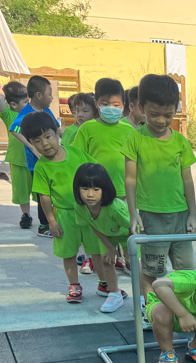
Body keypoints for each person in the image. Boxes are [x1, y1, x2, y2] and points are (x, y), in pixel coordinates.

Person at [123, 74, 196, 327]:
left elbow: (187, 180)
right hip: (151, 216)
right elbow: (130, 179)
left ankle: (184, 309)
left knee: (186, 269)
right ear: (141, 107)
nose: (161, 121)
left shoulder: (180, 142)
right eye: (154, 114)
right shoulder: (135, 139)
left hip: (180, 216)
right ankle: (151, 309)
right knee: (152, 270)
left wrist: (193, 214)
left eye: (168, 115)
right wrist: (133, 213)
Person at [21, 111, 104, 304]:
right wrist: (51, 221)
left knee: (97, 251)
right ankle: (74, 285)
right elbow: (44, 196)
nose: (45, 144)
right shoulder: (42, 167)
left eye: (48, 137)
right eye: (37, 141)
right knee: (68, 253)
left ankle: (104, 283)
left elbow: (96, 171)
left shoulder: (76, 153)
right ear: (31, 143)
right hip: (65, 216)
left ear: (57, 132)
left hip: (89, 212)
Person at [74, 78, 134, 275]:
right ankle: (92, 258)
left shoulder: (128, 130)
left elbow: (136, 160)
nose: (111, 109)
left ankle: (127, 259)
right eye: (105, 104)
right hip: (95, 191)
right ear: (97, 104)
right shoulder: (87, 128)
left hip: (122, 189)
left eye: (116, 105)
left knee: (124, 227)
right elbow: (77, 158)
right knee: (95, 226)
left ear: (124, 106)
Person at [73, 162, 129, 312]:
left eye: (96, 189)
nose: (90, 194)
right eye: (85, 189)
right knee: (106, 261)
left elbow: (133, 228)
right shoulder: (80, 207)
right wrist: (109, 247)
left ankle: (144, 297)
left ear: (105, 189)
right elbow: (94, 225)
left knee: (135, 263)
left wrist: (128, 251)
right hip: (107, 235)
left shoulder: (115, 207)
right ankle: (114, 294)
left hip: (128, 234)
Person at [10, 76, 59, 237]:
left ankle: (53, 221)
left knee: (52, 190)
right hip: (36, 162)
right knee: (43, 193)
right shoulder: (26, 113)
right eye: (49, 94)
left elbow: (57, 128)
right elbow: (15, 130)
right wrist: (32, 147)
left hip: (51, 158)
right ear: (39, 95)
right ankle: (44, 226)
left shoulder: (46, 111)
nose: (52, 98)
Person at [0, 81, 32, 229]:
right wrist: (2, 87)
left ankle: (45, 216)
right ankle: (26, 215)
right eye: (25, 102)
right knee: (21, 191)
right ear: (14, 105)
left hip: (37, 159)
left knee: (41, 190)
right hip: (18, 160)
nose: (28, 104)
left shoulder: (34, 113)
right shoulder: (10, 115)